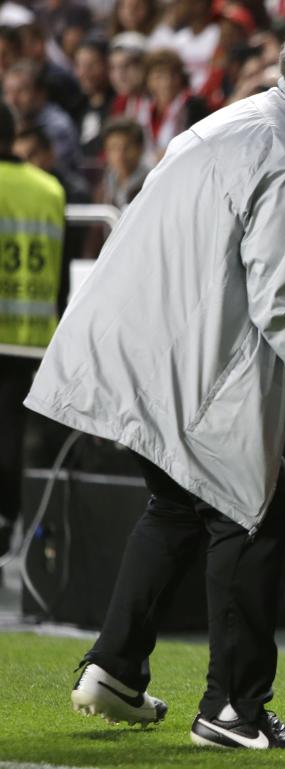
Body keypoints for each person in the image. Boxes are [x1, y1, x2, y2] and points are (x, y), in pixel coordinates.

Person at [24, 13, 285, 751]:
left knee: (180, 500)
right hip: (185, 359)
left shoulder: (242, 121)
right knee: (257, 512)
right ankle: (232, 709)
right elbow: (282, 311)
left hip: (131, 342)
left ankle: (114, 667)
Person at [0, 99, 65, 558]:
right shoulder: (50, 189)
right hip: (32, 337)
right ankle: (8, 528)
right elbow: (60, 276)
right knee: (15, 443)